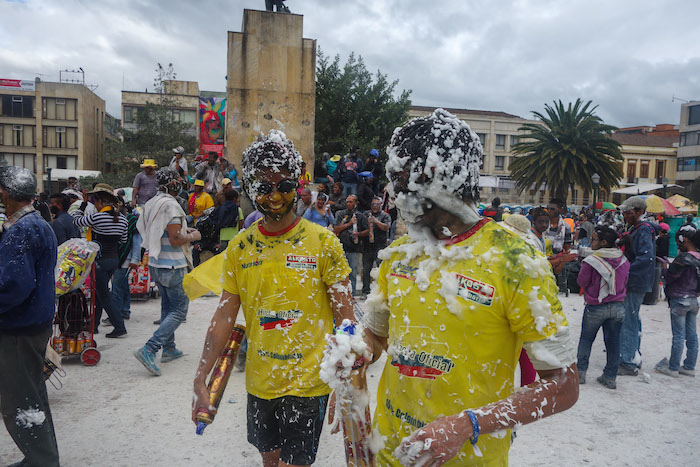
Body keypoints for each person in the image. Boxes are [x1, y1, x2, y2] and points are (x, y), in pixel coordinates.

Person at [348, 109, 577, 465]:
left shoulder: (515, 259)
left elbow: (563, 384)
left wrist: (468, 424)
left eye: (399, 178)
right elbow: (377, 336)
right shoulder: (398, 254)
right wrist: (355, 353)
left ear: (436, 176)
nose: (392, 192)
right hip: (392, 452)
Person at [191, 130, 354, 467]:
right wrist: (200, 376)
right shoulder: (240, 247)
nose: (276, 196)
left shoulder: (324, 243)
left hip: (308, 383)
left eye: (284, 185)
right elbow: (223, 317)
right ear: (252, 189)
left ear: (298, 184)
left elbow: (346, 320)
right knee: (270, 462)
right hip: (261, 381)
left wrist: (345, 379)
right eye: (264, 187)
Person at [0, 166, 60, 467]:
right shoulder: (36, 223)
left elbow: (13, 286)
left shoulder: (23, 230)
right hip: (32, 323)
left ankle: (41, 461)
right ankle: (40, 457)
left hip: (18, 328)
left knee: (19, 398)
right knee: (30, 394)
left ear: (6, 193)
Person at [134, 168, 201, 376]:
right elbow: (175, 239)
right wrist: (193, 236)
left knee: (167, 306)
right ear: (173, 184)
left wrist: (182, 232)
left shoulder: (152, 203)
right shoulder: (171, 205)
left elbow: (161, 231)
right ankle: (150, 348)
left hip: (156, 263)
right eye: (179, 180)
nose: (182, 183)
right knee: (179, 311)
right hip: (172, 266)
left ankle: (169, 349)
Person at [576, 225, 630, 389]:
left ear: (603, 242)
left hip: (595, 306)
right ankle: (610, 377)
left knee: (586, 340)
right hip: (617, 307)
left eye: (593, 239)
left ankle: (580, 374)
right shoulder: (624, 260)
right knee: (613, 343)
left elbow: (581, 282)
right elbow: (626, 281)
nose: (590, 242)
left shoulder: (592, 261)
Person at [73, 184, 128, 337]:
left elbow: (76, 220)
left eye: (94, 201)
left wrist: (83, 204)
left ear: (100, 202)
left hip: (99, 262)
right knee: (99, 293)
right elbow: (122, 240)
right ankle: (94, 325)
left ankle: (119, 326)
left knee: (103, 295)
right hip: (113, 260)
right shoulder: (123, 220)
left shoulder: (97, 217)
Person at [616, 195, 656, 376]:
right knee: (632, 318)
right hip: (633, 281)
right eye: (624, 212)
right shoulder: (635, 228)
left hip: (635, 282)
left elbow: (645, 258)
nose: (625, 215)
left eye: (629, 212)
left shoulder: (643, 230)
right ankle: (633, 355)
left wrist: (625, 272)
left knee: (628, 320)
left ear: (640, 212)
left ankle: (627, 361)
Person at [656, 225, 699, 377]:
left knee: (679, 336)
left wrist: (664, 267)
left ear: (684, 239)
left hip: (680, 300)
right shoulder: (698, 257)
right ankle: (689, 366)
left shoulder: (683, 258)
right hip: (694, 300)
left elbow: (671, 277)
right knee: (692, 335)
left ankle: (673, 367)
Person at [334, 194, 369, 296]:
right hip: (341, 247)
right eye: (347, 202)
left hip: (355, 248)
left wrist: (359, 234)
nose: (348, 204)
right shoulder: (340, 214)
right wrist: (349, 224)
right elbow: (336, 228)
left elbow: (367, 230)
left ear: (356, 203)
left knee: (352, 273)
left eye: (351, 202)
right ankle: (340, 293)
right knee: (340, 272)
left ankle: (351, 294)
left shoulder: (361, 216)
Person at [111, 208, 141, 322]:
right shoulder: (116, 220)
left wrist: (135, 259)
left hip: (125, 259)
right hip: (118, 258)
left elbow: (137, 242)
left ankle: (115, 315)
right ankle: (124, 311)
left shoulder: (131, 221)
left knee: (116, 287)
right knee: (123, 286)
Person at [361, 196, 391, 296]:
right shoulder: (366, 214)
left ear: (380, 205)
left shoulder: (385, 216)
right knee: (366, 270)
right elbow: (361, 227)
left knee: (380, 270)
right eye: (373, 204)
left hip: (380, 246)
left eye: (377, 204)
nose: (374, 206)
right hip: (367, 246)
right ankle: (365, 290)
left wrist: (376, 221)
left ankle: (381, 291)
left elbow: (386, 227)